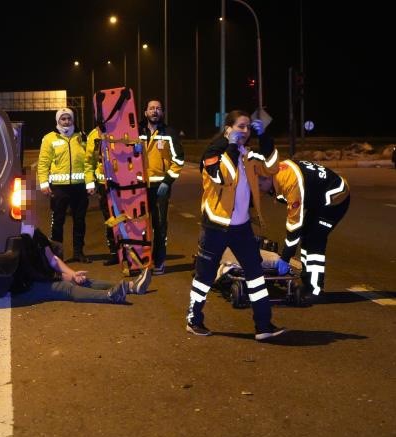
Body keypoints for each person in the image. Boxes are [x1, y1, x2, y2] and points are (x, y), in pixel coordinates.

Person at [185, 109, 286, 341]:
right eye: (241, 126)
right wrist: (230, 146)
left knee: (255, 273)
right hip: (216, 226)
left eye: (249, 127)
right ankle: (193, 320)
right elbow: (221, 176)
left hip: (241, 227)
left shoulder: (246, 154)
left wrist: (265, 137)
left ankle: (263, 325)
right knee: (205, 276)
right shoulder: (213, 151)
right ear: (228, 128)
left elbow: (271, 167)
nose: (245, 131)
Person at [258, 159, 350, 301]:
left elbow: (294, 226)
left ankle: (315, 290)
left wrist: (285, 258)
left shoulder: (290, 182)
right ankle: (307, 281)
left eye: (259, 185)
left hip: (335, 197)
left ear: (267, 178)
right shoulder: (274, 174)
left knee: (314, 240)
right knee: (307, 237)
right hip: (318, 198)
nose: (259, 189)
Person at [12, 225, 152, 303]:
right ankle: (110, 296)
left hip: (41, 277)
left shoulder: (34, 231)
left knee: (82, 280)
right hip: (26, 287)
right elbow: (34, 273)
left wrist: (72, 273)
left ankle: (132, 287)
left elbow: (52, 259)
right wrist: (63, 277)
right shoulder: (17, 238)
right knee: (67, 288)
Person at [37, 108, 96, 263]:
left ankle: (78, 252)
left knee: (80, 220)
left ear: (73, 120)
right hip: (59, 187)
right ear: (58, 121)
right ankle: (57, 254)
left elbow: (88, 163)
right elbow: (43, 164)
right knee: (58, 221)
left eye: (69, 118)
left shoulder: (81, 137)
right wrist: (44, 184)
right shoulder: (49, 138)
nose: (66, 121)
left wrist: (90, 183)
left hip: (79, 187)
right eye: (63, 119)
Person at [138, 99, 185, 274]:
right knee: (139, 225)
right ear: (145, 112)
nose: (155, 111)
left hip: (160, 187)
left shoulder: (169, 133)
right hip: (139, 186)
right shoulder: (136, 132)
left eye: (158, 108)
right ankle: (140, 260)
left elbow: (179, 160)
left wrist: (167, 181)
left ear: (162, 113)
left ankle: (159, 261)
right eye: (151, 108)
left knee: (159, 225)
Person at [84, 126, 118, 265]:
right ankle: (115, 252)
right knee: (110, 220)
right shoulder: (94, 134)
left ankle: (130, 251)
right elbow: (89, 161)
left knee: (126, 219)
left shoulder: (121, 128)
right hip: (103, 185)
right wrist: (90, 182)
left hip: (123, 184)